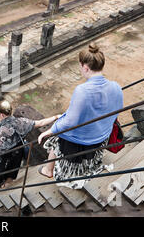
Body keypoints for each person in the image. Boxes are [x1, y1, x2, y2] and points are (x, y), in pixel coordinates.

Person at [37, 43, 123, 189]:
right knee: (61, 125)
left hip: (83, 140)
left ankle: (48, 170)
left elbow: (69, 122)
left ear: (85, 67)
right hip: (102, 136)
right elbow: (116, 111)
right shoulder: (116, 87)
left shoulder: (82, 91)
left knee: (56, 135)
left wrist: (48, 131)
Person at [0, 101, 61, 189]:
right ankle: (9, 179)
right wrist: (55, 117)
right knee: (14, 162)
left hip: (3, 155)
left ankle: (1, 184)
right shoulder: (21, 122)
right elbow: (40, 123)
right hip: (17, 150)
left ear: (1, 115)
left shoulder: (2, 131)